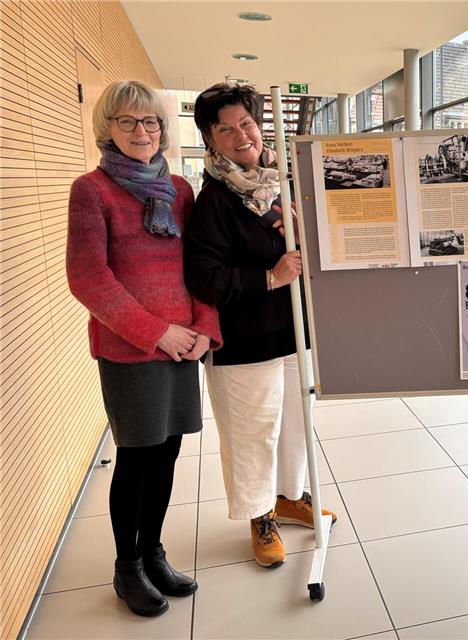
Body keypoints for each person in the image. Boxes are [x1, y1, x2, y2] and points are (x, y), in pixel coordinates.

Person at [66, 80, 221, 616]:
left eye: (151, 122)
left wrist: (203, 327)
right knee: (137, 458)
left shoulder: (179, 188)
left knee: (169, 453)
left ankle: (153, 551)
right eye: (128, 121)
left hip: (182, 349)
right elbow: (88, 278)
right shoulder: (92, 189)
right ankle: (126, 566)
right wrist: (157, 331)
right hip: (132, 351)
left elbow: (198, 265)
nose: (142, 131)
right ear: (107, 127)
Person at [183, 83, 336, 570]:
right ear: (211, 139)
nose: (239, 135)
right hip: (244, 343)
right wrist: (271, 276)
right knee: (254, 432)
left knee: (294, 423)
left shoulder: (282, 182)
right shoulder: (213, 200)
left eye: (245, 123)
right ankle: (259, 514)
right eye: (224, 129)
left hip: (292, 333)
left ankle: (290, 496)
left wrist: (303, 228)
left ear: (259, 125)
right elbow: (203, 278)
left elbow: (310, 250)